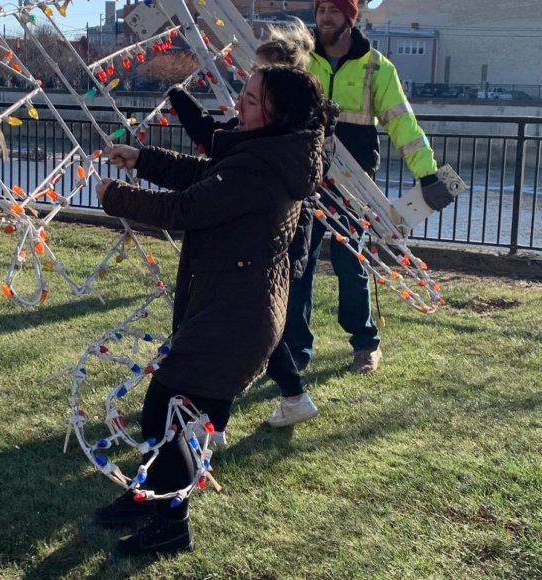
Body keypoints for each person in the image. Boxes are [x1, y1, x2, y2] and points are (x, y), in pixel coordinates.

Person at [92, 64, 331, 556]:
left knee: (168, 409)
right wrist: (141, 159)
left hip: (238, 314)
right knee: (173, 410)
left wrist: (115, 196)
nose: (238, 105)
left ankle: (170, 523)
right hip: (232, 301)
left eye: (250, 99)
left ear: (277, 112)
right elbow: (203, 174)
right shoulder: (266, 151)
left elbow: (186, 208)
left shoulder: (261, 167)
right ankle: (150, 497)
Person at [163, 19, 321, 429]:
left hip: (264, 244)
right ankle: (288, 397)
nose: (247, 88)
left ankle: (216, 423)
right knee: (254, 330)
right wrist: (183, 103)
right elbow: (217, 143)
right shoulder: (277, 129)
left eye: (258, 78)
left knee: (243, 331)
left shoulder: (280, 135)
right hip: (264, 245)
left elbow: (216, 150)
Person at [285, 0, 456, 374]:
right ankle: (296, 349)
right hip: (305, 177)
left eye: (334, 9)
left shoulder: (376, 66)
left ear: (350, 17)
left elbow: (402, 124)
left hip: (353, 183)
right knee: (299, 262)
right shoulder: (300, 58)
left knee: (351, 261)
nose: (325, 16)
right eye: (321, 9)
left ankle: (365, 344)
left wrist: (427, 175)